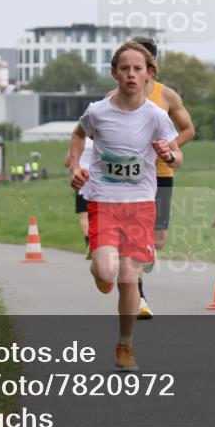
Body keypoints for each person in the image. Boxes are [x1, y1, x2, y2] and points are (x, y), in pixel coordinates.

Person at [67, 41, 182, 371]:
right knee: (106, 273)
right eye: (125, 68)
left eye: (138, 69)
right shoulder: (99, 111)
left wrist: (169, 155)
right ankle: (99, 269)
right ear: (114, 73)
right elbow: (78, 134)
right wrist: (76, 167)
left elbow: (178, 156)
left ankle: (125, 346)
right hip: (103, 201)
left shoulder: (157, 116)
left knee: (129, 279)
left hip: (140, 204)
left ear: (149, 74)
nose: (131, 74)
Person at [106, 35, 195, 320]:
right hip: (129, 180)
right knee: (130, 243)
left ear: (151, 66)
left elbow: (188, 129)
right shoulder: (113, 97)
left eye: (142, 63)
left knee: (158, 240)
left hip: (162, 173)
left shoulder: (167, 96)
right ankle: (140, 298)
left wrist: (169, 148)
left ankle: (146, 257)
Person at [65, 136, 95, 252]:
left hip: (82, 180)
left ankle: (89, 243)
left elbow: (67, 162)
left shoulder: (79, 141)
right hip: (99, 181)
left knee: (84, 216)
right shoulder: (101, 138)